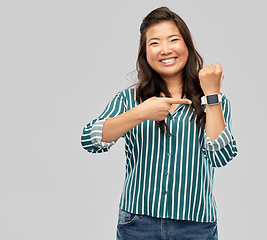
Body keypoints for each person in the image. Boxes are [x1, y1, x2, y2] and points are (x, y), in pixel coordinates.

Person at [81, 6, 237, 240]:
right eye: (154, 43)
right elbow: (90, 141)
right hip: (138, 223)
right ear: (145, 53)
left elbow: (220, 157)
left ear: (187, 45)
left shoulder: (213, 101)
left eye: (173, 39)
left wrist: (211, 95)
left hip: (196, 225)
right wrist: (141, 112)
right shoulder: (128, 100)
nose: (165, 50)